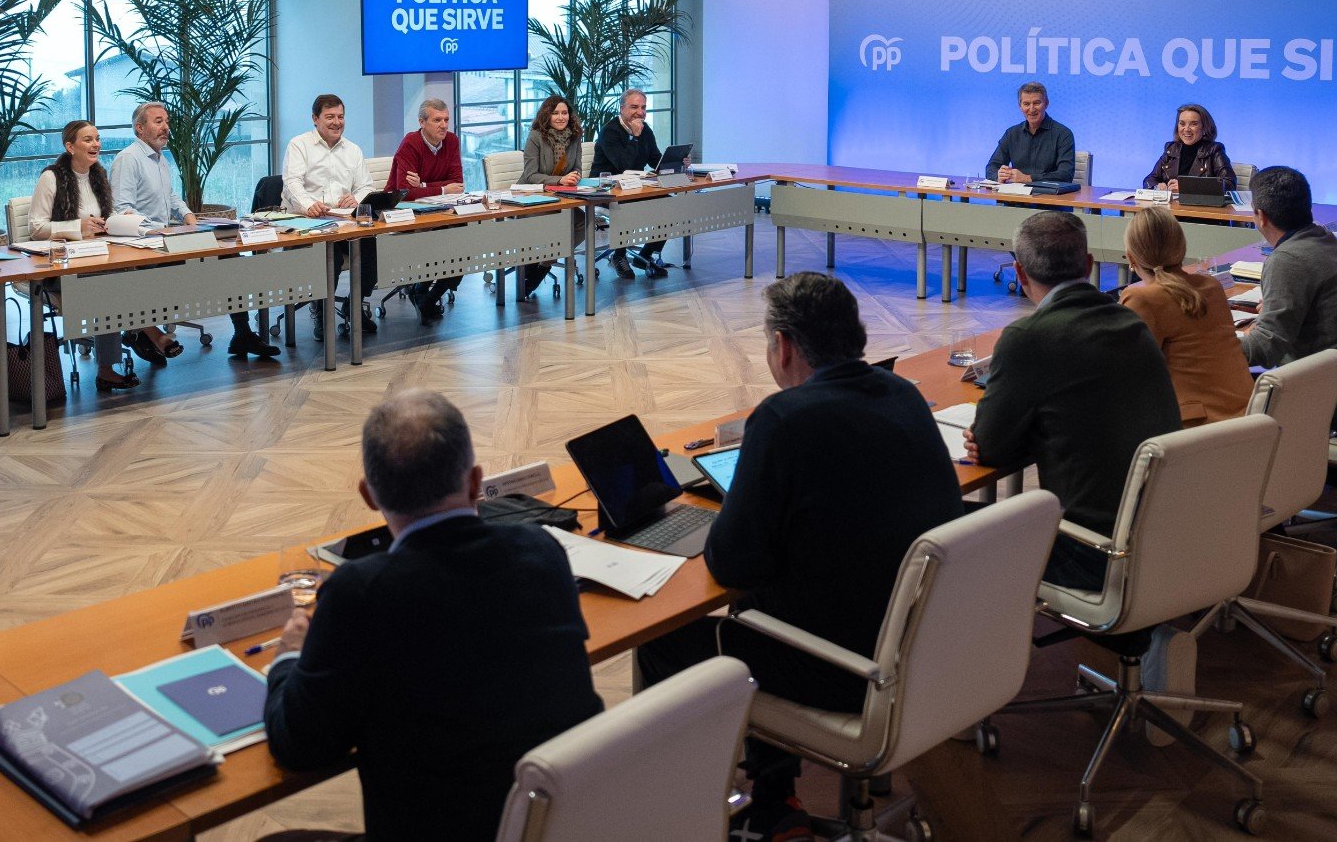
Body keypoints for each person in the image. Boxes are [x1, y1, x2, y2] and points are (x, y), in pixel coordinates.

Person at [636, 272, 963, 841]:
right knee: (773, 600)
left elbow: (731, 564)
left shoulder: (784, 418)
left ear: (783, 346)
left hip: (845, 670)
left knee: (666, 639)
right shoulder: (904, 394)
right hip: (924, 646)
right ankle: (773, 797)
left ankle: (683, 816)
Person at [263, 388, 602, 842]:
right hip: (558, 825)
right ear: (476, 481)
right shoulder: (540, 549)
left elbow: (300, 747)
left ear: (368, 495)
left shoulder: (361, 592)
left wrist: (287, 658)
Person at [963, 211, 1181, 590]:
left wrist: (1021, 433)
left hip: (1090, 554)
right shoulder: (1133, 325)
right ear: (1089, 264)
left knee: (934, 523)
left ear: (1018, 272)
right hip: (1160, 540)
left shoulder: (1027, 338)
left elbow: (992, 448)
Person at [111, 102, 280, 361]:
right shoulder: (128, 159)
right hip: (144, 243)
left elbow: (170, 197)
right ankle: (141, 331)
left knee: (228, 254)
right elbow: (123, 211)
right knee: (216, 263)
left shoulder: (159, 159)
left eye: (166, 121)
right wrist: (163, 229)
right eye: (158, 122)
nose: (166, 127)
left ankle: (243, 333)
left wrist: (189, 216)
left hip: (167, 236)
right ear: (139, 128)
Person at [28, 121, 138, 393]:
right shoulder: (51, 177)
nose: (96, 145)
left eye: (98, 139)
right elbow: (36, 229)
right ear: (70, 146)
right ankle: (116, 361)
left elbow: (99, 221)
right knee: (111, 283)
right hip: (61, 266)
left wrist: (116, 221)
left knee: (132, 272)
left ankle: (141, 336)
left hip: (96, 257)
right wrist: (77, 228)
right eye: (88, 140)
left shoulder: (98, 175)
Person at [1119, 207, 1253, 425]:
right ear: (1181, 248)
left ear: (1132, 259)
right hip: (1247, 420)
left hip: (1196, 433)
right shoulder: (1212, 285)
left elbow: (1126, 376)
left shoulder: (1141, 298)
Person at [1239, 166, 1337, 369]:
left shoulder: (1287, 258)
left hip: (1327, 389)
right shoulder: (1323, 238)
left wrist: (1210, 344)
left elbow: (1265, 349)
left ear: (1261, 216)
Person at [283, 94, 378, 339]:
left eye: (340, 116)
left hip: (345, 222)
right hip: (308, 222)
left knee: (372, 247)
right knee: (332, 255)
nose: (337, 122)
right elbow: (292, 182)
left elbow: (366, 185)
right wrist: (308, 205)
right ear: (315, 119)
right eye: (330, 117)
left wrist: (357, 198)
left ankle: (353, 305)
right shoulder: (299, 145)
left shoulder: (353, 149)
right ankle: (323, 312)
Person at [385, 98, 465, 319]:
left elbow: (457, 184)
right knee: (441, 245)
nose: (444, 125)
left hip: (438, 213)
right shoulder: (410, 144)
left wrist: (423, 186)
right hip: (404, 215)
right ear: (422, 122)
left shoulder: (451, 141)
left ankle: (426, 295)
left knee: (463, 244)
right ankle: (423, 294)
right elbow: (404, 192)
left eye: (446, 120)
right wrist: (441, 189)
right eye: (437, 120)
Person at [593, 88, 679, 278]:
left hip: (635, 188)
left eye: (643, 107)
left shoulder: (644, 129)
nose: (640, 112)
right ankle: (619, 255)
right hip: (606, 190)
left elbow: (655, 158)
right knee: (629, 209)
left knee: (671, 205)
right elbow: (623, 165)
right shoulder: (609, 131)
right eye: (634, 107)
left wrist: (673, 162)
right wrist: (634, 137)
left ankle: (645, 255)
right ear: (622, 108)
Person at [517, 95, 583, 297]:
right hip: (531, 198)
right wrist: (559, 181)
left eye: (564, 113)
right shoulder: (536, 136)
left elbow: (578, 168)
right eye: (555, 113)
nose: (561, 117)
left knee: (582, 222)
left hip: (560, 198)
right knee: (548, 224)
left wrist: (574, 177)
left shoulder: (574, 136)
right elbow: (531, 175)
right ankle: (532, 271)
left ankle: (545, 262)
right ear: (547, 115)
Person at [984, 81, 1076, 185]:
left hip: (1048, 198)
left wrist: (1028, 178)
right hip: (1016, 198)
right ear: (1020, 106)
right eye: (1026, 104)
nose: (1031, 109)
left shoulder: (1063, 134)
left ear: (1046, 104)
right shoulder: (1011, 133)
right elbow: (991, 167)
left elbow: (1065, 175)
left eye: (1036, 103)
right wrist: (999, 176)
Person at [1142, 104, 1236, 191]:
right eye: (1182, 124)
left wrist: (1187, 187)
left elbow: (1229, 184)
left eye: (1193, 124)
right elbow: (1149, 179)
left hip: (1199, 207)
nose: (1186, 129)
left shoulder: (1214, 150)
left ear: (1204, 127)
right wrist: (1157, 186)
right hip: (1171, 207)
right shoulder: (1171, 149)